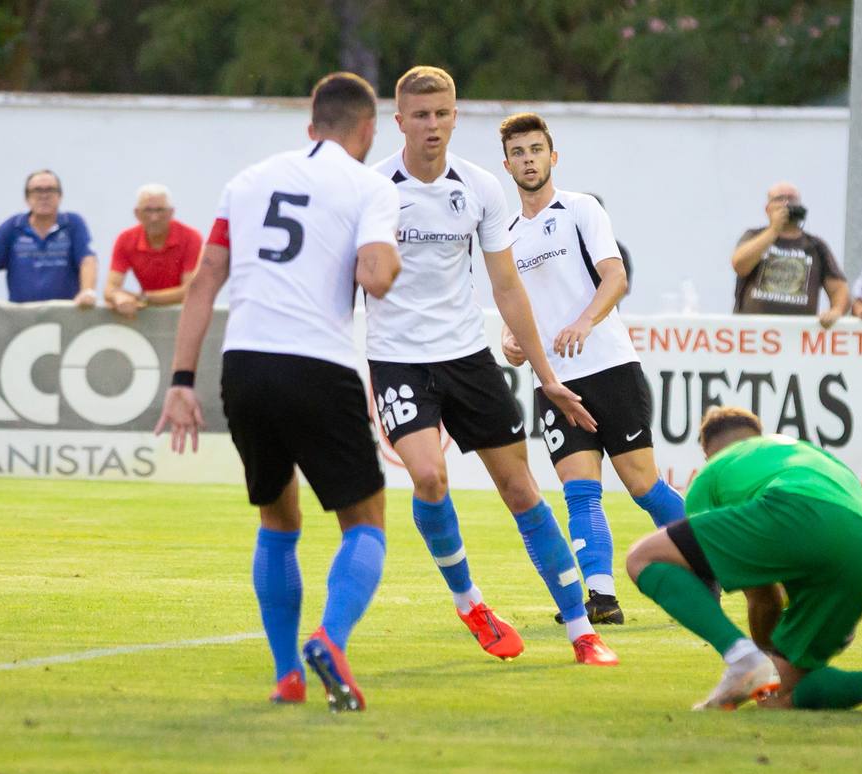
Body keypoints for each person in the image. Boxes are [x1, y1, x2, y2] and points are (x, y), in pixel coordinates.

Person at [154, 72, 403, 712]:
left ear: (309, 124)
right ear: (368, 130)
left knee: (278, 515)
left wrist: (181, 381)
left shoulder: (248, 180)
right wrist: (383, 261)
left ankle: (287, 673)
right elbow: (376, 278)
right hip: (317, 365)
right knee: (365, 521)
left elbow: (206, 280)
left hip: (244, 366)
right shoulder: (371, 186)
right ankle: (332, 637)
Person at [366, 66, 613, 667]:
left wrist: (548, 376)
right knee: (428, 478)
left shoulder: (480, 186)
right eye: (420, 115)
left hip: (466, 359)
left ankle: (583, 630)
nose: (433, 125)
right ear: (399, 122)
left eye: (442, 113)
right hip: (397, 359)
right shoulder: (371, 188)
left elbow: (507, 287)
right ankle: (470, 600)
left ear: (456, 116)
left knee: (521, 489)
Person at [622, 406, 862, 716]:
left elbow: (761, 595)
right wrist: (774, 663)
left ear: (708, 453)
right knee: (781, 695)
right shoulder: (803, 452)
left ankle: (741, 659)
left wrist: (755, 656)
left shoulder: (712, 475)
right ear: (757, 437)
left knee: (643, 558)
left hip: (796, 510)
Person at [492, 111, 686, 626]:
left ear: (553, 157)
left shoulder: (579, 209)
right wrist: (513, 341)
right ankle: (601, 597)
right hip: (553, 382)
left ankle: (714, 557)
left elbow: (615, 277)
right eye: (518, 152)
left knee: (644, 486)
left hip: (609, 367)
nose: (528, 159)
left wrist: (583, 323)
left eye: (536, 150)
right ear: (507, 163)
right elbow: (517, 305)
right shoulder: (507, 233)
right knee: (580, 489)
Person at [0, 170, 96, 306]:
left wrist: (87, 292)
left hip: (65, 318)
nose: (44, 196)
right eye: (37, 190)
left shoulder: (73, 224)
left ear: (60, 196)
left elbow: (87, 260)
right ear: (27, 198)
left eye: (50, 190)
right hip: (22, 321)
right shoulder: (14, 227)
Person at [727, 181, 845, 324]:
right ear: (767, 208)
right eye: (780, 199)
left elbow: (839, 288)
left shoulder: (816, 246)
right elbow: (739, 265)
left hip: (798, 335)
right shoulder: (753, 235)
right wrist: (773, 230)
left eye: (792, 199)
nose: (787, 203)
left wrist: (836, 311)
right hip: (754, 333)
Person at [103, 184, 200, 317]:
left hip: (186, 316)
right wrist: (118, 297)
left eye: (160, 210)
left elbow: (190, 291)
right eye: (148, 210)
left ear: (171, 212)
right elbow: (110, 288)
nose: (154, 218)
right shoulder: (126, 239)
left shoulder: (190, 238)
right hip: (147, 316)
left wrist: (140, 298)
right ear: (137, 213)